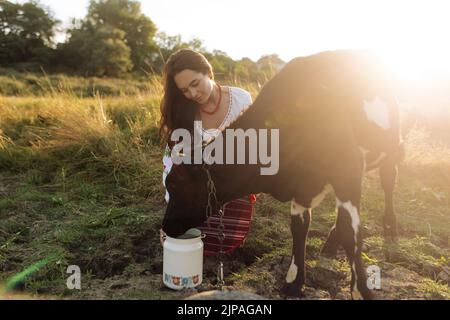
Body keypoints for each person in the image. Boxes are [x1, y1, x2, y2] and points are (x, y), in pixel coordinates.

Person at [158, 49, 257, 256]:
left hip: (234, 189)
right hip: (198, 191)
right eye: (185, 90)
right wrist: (173, 207)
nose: (193, 94)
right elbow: (175, 167)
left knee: (226, 243)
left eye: (195, 84)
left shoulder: (241, 100)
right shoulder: (182, 113)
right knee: (190, 239)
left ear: (208, 72)